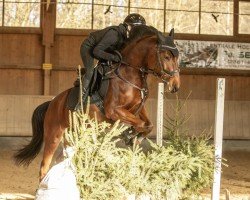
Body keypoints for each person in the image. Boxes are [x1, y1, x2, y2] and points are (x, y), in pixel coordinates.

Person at [79, 13, 146, 102]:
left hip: (102, 49)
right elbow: (96, 51)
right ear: (129, 27)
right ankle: (81, 98)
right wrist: (113, 57)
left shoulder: (125, 36)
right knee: (90, 71)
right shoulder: (114, 35)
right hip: (89, 47)